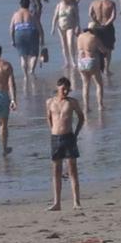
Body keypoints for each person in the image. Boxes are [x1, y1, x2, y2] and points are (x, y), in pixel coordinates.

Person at [45, 78, 83, 212]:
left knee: (72, 170)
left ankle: (76, 202)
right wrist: (52, 131)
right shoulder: (50, 102)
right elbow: (48, 118)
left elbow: (81, 117)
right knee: (56, 171)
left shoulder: (72, 102)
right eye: (63, 89)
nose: (65, 91)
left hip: (69, 137)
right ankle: (57, 202)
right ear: (58, 88)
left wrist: (76, 133)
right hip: (56, 138)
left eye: (68, 89)